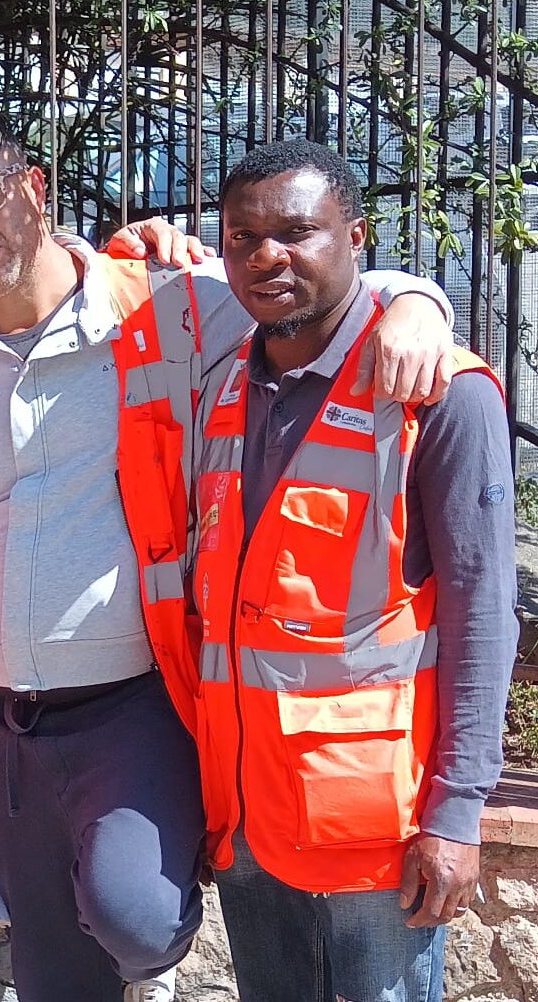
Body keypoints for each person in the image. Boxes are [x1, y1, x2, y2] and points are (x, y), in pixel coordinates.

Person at [0, 104, 464, 1001]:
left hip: (131, 696)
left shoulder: (164, 309)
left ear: (33, 190)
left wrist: (416, 299)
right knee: (46, 964)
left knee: (137, 920)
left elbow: (310, 281)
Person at [188, 140, 514, 1002]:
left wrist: (455, 812)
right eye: (242, 238)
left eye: (296, 232)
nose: (266, 256)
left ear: (357, 238)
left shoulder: (439, 393)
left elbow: (484, 612)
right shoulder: (222, 392)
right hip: (248, 819)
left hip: (376, 830)